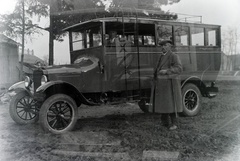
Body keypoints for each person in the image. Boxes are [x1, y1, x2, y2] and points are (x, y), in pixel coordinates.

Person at [153, 40, 183, 130]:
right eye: (162, 45)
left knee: (172, 104)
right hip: (162, 84)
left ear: (170, 46)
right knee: (164, 104)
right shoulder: (161, 57)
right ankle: (165, 123)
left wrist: (166, 71)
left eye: (165, 45)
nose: (163, 47)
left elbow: (179, 68)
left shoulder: (173, 56)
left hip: (170, 84)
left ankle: (174, 124)